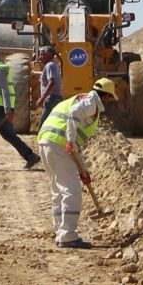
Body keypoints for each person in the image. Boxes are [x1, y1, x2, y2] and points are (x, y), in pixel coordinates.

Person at [37, 78, 118, 249]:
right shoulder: (91, 102)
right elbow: (74, 115)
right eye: (110, 99)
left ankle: (60, 232)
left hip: (47, 142)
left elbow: (74, 138)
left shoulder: (80, 99)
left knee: (58, 191)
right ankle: (68, 236)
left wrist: (83, 169)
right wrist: (70, 141)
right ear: (107, 97)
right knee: (71, 192)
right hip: (58, 144)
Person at [34, 46, 62, 128]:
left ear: (49, 55)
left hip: (51, 100)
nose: (39, 58)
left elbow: (52, 82)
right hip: (54, 99)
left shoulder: (50, 65)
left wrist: (42, 98)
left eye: (42, 55)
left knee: (43, 127)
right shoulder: (53, 65)